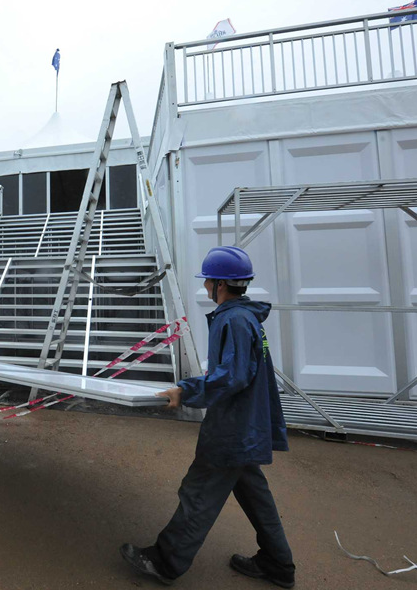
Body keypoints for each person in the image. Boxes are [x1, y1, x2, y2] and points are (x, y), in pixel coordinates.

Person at [120, 246, 295, 588]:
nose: (204, 288)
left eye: (207, 282)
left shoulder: (233, 319)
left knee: (199, 492)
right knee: (256, 497)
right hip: (245, 427)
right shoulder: (246, 318)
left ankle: (165, 562)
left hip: (232, 429)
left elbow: (234, 376)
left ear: (220, 284)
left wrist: (185, 390)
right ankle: (277, 563)